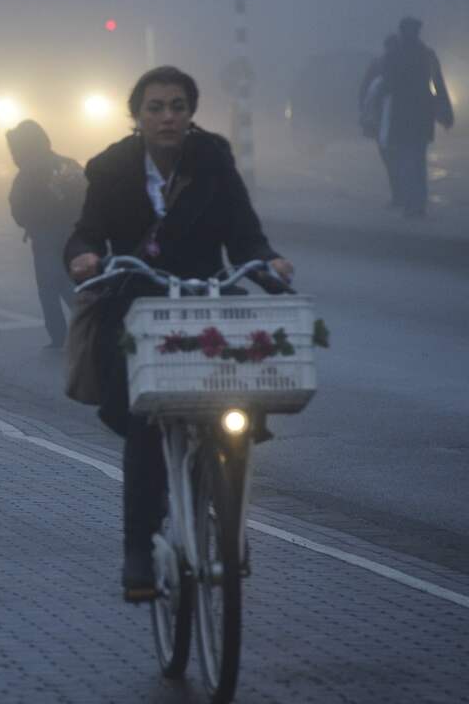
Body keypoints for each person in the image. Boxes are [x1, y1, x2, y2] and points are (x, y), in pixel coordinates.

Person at [64, 66, 293, 602]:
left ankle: (228, 513)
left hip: (207, 302)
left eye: (177, 106)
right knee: (147, 420)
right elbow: (86, 230)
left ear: (190, 114)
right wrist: (83, 256)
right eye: (155, 108)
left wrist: (268, 262)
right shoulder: (111, 167)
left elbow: (245, 233)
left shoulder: (213, 159)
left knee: (238, 405)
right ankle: (139, 547)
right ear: (136, 117)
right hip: (138, 306)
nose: (167, 117)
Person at [5, 120, 84, 349]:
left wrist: (31, 222)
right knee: (69, 281)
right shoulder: (69, 164)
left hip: (45, 235)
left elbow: (17, 208)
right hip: (74, 232)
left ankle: (58, 335)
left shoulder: (27, 173)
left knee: (49, 286)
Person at [385, 17, 454, 218]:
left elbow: (387, 83)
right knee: (417, 159)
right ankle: (417, 203)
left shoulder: (395, 55)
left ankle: (410, 203)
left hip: (401, 113)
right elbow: (439, 84)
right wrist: (445, 112)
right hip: (422, 114)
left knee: (405, 159)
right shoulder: (427, 54)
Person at [359, 35, 400, 207]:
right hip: (388, 119)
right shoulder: (389, 65)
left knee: (390, 158)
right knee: (394, 158)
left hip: (384, 119)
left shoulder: (380, 64)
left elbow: (365, 91)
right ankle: (400, 194)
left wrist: (364, 112)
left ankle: (398, 194)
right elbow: (365, 91)